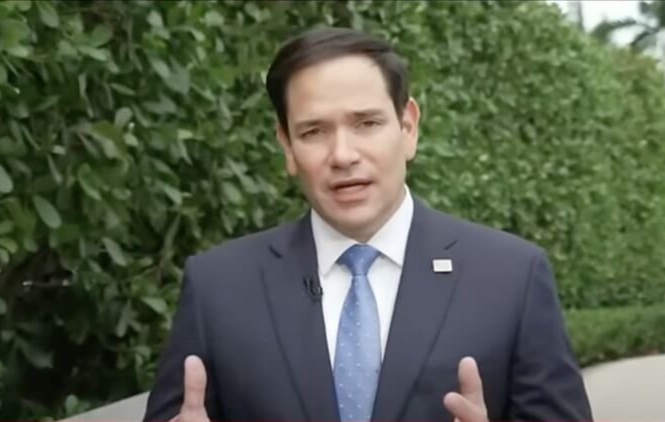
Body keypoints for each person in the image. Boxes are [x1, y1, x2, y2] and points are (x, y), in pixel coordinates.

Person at [142, 27, 592, 422]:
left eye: (366, 123)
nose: (343, 155)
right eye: (314, 132)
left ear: (408, 127)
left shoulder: (510, 277)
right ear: (287, 146)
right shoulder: (219, 287)